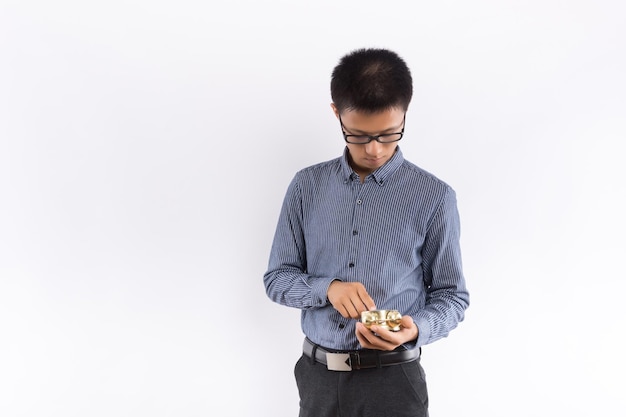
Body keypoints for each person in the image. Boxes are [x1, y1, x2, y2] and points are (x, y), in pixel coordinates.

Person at [263, 47, 469, 417]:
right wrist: (327, 288)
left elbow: (452, 297)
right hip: (317, 379)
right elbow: (277, 279)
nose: (375, 150)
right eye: (358, 135)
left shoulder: (435, 197)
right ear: (336, 114)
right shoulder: (306, 187)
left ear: (405, 112)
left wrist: (414, 328)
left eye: (389, 134)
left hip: (393, 380)